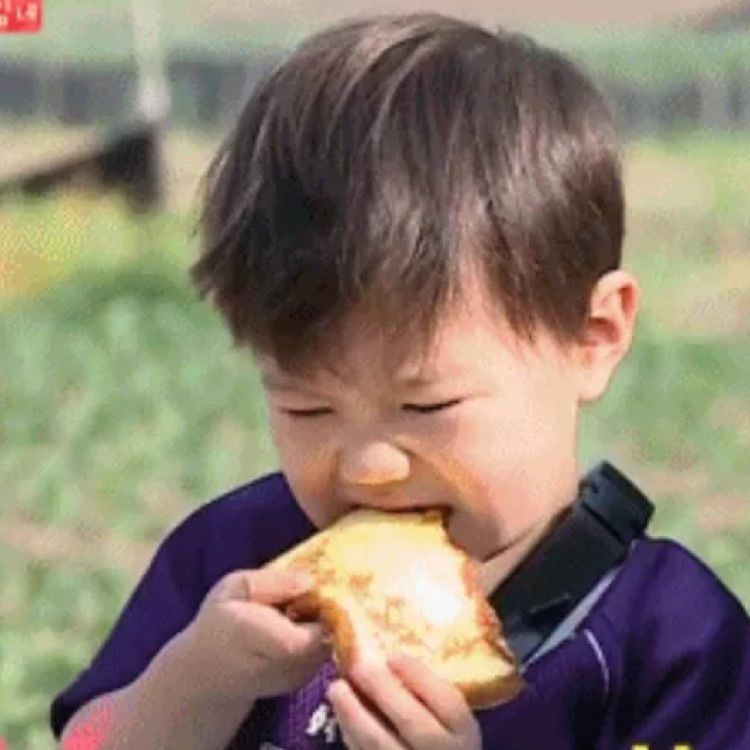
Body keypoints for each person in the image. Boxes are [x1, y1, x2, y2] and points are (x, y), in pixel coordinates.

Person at [50, 12, 750, 750]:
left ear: (592, 337)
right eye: (307, 407)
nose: (368, 468)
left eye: (426, 404)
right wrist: (193, 685)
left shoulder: (673, 643)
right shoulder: (233, 559)